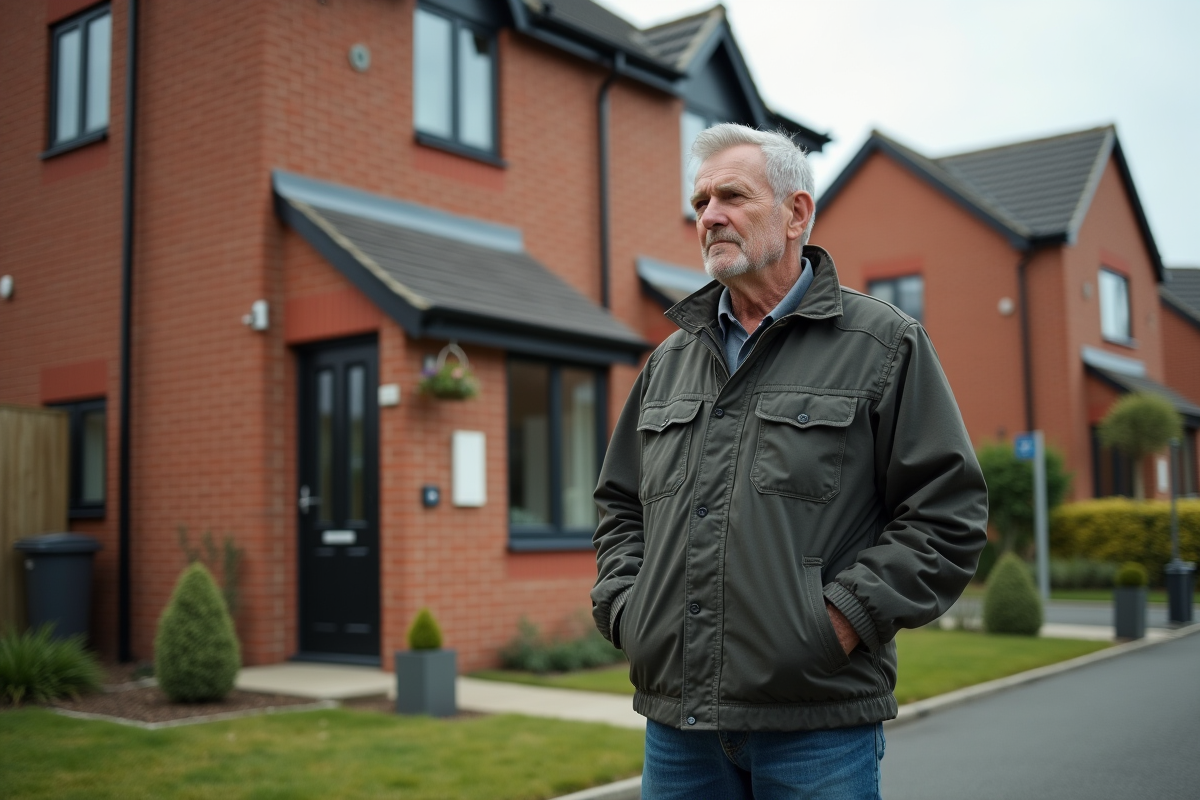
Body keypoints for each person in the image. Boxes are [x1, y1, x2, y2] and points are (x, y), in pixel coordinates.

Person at [591, 123, 988, 799]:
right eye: (700, 203)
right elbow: (620, 506)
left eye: (732, 197)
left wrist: (839, 622)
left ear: (796, 213)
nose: (709, 216)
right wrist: (630, 613)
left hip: (817, 727)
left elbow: (946, 515)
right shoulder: (668, 363)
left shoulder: (882, 344)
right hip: (679, 726)